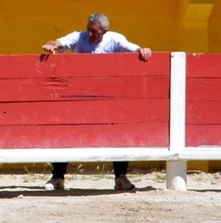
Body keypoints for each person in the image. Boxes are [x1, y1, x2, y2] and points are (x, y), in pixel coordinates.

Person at [41, 12, 152, 191]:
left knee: (118, 131)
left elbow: (135, 50)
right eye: (89, 30)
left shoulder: (115, 39)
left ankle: (120, 177)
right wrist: (51, 44)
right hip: (78, 95)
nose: (90, 34)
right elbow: (59, 42)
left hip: (107, 96)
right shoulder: (79, 37)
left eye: (95, 32)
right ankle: (57, 177)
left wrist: (143, 50)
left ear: (104, 31)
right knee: (65, 129)